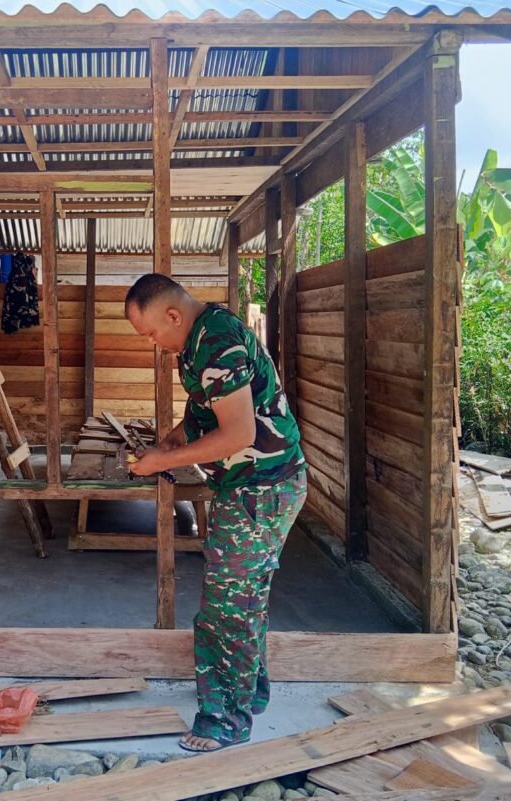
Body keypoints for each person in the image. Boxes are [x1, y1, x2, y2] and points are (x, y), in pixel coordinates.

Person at [124, 274, 307, 752]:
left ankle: (224, 719)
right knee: (245, 599)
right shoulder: (201, 338)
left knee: (226, 610)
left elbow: (238, 434)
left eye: (150, 333)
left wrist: (160, 461)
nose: (152, 344)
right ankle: (251, 694)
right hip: (257, 486)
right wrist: (171, 441)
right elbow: (207, 408)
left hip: (260, 490)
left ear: (172, 315)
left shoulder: (218, 341)